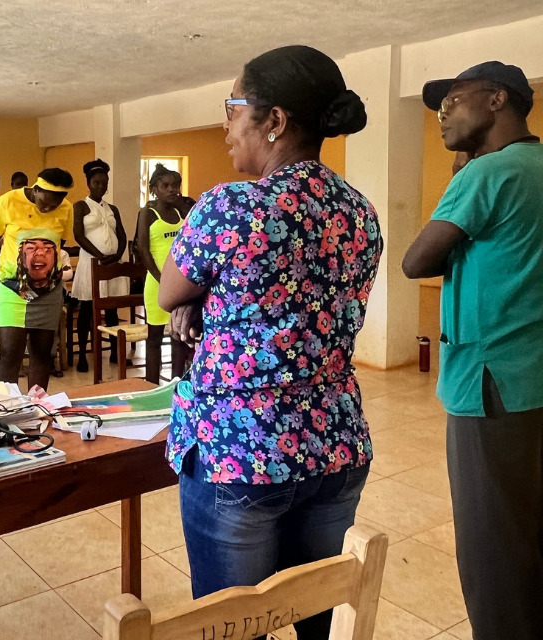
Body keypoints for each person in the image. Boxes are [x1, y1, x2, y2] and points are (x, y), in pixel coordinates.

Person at [158, 45, 380, 640]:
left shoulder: (231, 207)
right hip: (335, 443)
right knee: (314, 617)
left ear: (274, 121)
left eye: (232, 109)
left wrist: (197, 300)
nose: (225, 126)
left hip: (241, 452)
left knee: (234, 625)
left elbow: (168, 292)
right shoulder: (359, 211)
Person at [402, 61, 543, 640]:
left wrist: (464, 168)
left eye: (453, 102)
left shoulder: (488, 173)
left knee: (493, 549)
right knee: (530, 530)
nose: (442, 117)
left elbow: (417, 261)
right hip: (534, 376)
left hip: (491, 385)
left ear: (496, 100)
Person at [0, 168, 73, 391]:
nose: (48, 208)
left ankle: (37, 409)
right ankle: (8, 409)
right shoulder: (7, 202)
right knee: (10, 353)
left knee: (42, 354)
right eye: (45, 203)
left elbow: (59, 243)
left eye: (54, 204)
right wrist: (8, 267)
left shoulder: (66, 208)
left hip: (49, 291)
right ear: (35, 190)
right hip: (12, 289)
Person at [70, 159, 127, 372]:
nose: (101, 187)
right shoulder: (80, 206)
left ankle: (113, 352)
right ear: (88, 183)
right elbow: (78, 235)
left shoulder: (112, 208)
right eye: (96, 183)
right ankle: (84, 356)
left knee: (111, 308)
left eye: (104, 183)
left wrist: (117, 255)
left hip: (112, 263)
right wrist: (99, 255)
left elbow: (121, 234)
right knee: (87, 308)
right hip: (91, 262)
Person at [136, 163, 187, 383]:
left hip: (180, 286)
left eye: (175, 185)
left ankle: (175, 385)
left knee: (179, 337)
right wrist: (163, 279)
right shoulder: (148, 213)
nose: (171, 189)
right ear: (154, 188)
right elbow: (143, 250)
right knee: (155, 338)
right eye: (165, 185)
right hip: (157, 283)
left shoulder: (181, 211)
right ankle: (151, 385)